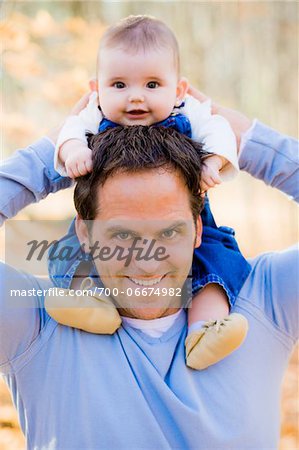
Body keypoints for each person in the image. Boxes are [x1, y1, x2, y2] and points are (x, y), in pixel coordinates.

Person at [0, 94, 298, 449]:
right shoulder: (35, 322)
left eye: (169, 232)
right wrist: (57, 152)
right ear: (84, 232)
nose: (147, 260)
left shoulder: (264, 299)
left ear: (198, 228)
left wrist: (248, 142)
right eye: (123, 234)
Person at [45, 15, 250, 370]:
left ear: (179, 91)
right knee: (66, 250)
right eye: (119, 85)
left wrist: (213, 162)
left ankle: (205, 328)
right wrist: (74, 152)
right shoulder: (92, 116)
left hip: (198, 213)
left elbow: (218, 131)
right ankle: (87, 298)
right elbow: (69, 132)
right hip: (102, 213)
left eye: (153, 85)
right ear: (97, 91)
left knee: (218, 262)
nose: (136, 97)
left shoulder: (190, 112)